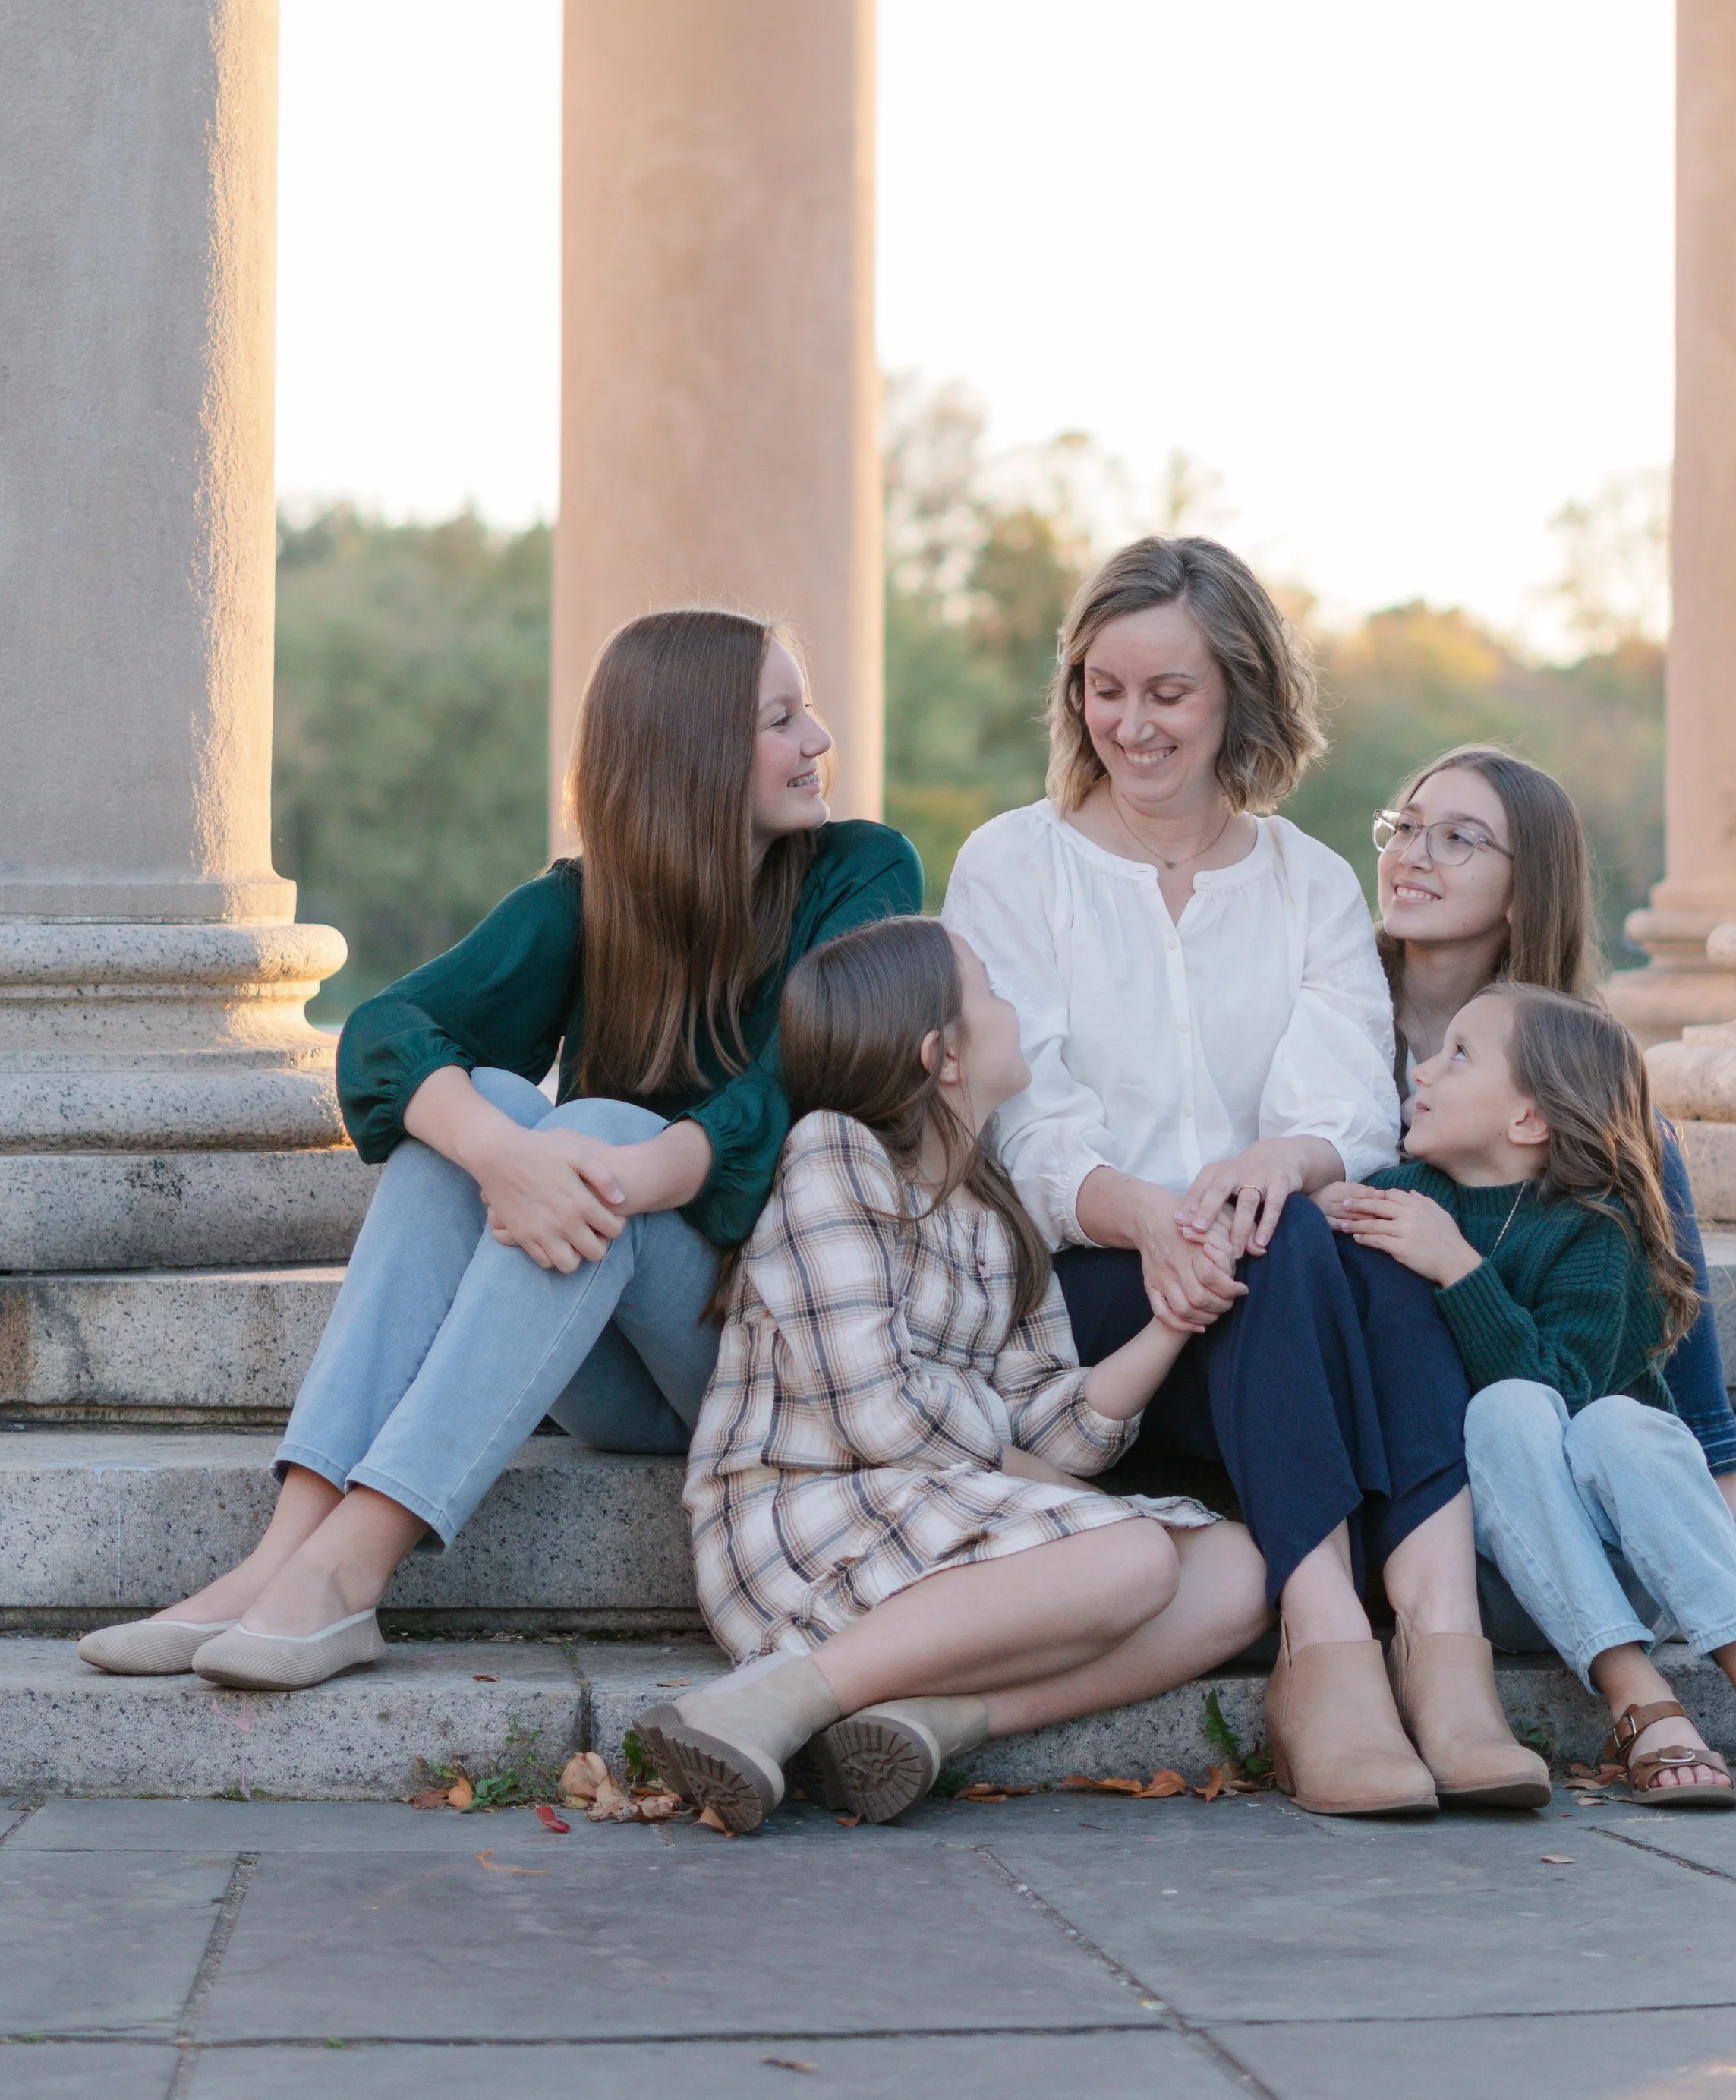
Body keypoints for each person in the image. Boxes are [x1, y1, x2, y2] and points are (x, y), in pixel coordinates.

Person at [77, 609, 922, 1692]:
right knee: (462, 1107)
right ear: (691, 751)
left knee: (591, 1126)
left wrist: (584, 1160)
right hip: (613, 1359)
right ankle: (278, 1557)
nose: (819, 739)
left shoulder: (862, 874)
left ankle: (350, 1569)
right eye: (782, 717)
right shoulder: (585, 901)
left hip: (765, 1352)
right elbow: (387, 1032)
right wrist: (501, 1153)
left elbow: (788, 1092)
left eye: (805, 711)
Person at [943, 534, 1549, 1817]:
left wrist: (1279, 1160)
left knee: (1346, 1225)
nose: (1133, 724)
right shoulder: (1013, 865)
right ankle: (1328, 1634)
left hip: (1281, 1281)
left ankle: (1440, 1645)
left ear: (1237, 698)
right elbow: (1025, 1121)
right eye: (1107, 689)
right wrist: (1152, 1218)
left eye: (1170, 694)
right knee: (1291, 1246)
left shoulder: (1309, 881)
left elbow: (1345, 1106)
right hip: (1093, 1302)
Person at [650, 916, 1274, 1833]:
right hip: (806, 1521)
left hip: (939, 1515)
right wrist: (1029, 1472)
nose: (1012, 1009)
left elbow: (1055, 1428)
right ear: (941, 1055)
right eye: (991, 991)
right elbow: (878, 1417)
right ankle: (773, 1701)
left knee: (1245, 1572)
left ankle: (931, 1719)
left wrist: (1172, 1322)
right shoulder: (837, 1152)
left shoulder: (994, 1207)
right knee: (1134, 1556)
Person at [1372, 744, 1736, 1643]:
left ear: (1523, 889)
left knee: (1642, 1141)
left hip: (1534, 1353)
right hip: (1403, 1360)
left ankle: (1721, 1514)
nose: (1412, 854)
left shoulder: (1560, 1049)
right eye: (1406, 827)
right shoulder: (1332, 1001)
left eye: (1458, 838)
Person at [1325, 988, 1736, 1808]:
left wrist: (1458, 1269)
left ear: (1528, 1120)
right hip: (1507, 1568)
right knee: (1500, 1413)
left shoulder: (1593, 1233)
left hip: (1636, 1560)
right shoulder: (1411, 1196)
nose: (1422, 1069)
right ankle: (1635, 1694)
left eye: (1458, 1055)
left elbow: (1561, 1392)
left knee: (1608, 1421)